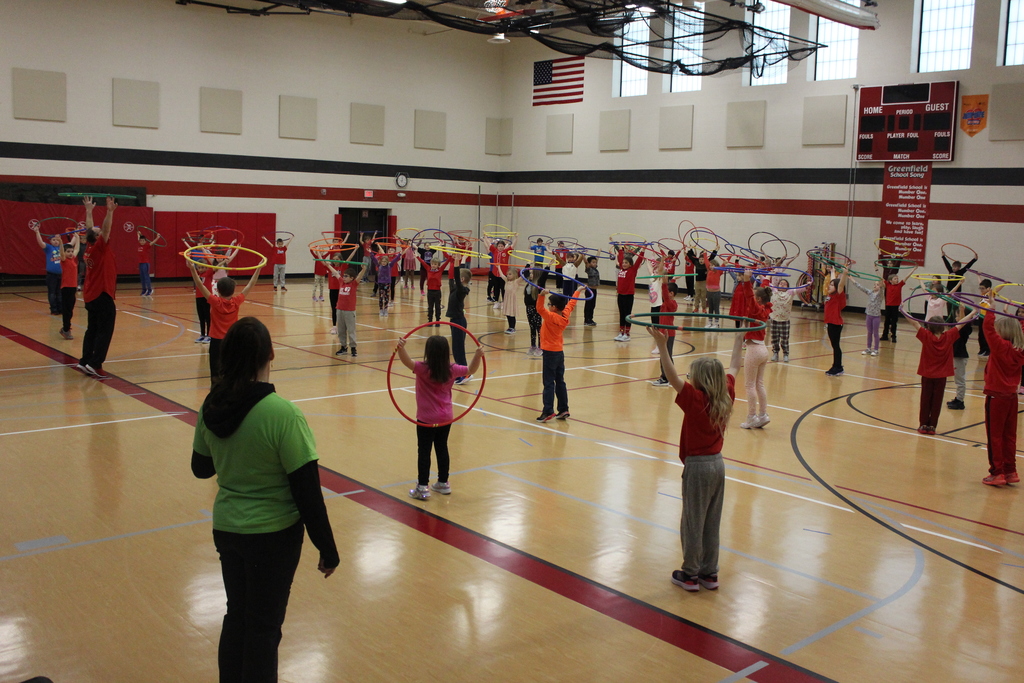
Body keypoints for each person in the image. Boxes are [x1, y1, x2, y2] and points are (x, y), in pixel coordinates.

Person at [190, 316, 339, 682]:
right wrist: (327, 548)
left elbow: (201, 468)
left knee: (236, 616)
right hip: (273, 538)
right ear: (271, 354)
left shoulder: (211, 407)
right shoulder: (283, 414)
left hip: (227, 530)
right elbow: (307, 492)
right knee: (263, 629)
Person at [648, 325, 740, 592]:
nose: (689, 377)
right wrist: (738, 339)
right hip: (718, 464)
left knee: (692, 520)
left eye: (693, 375)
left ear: (700, 380)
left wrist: (663, 346)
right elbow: (735, 366)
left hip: (698, 467)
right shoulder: (727, 394)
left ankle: (690, 574)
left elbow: (672, 375)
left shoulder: (695, 399)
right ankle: (709, 573)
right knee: (712, 520)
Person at [395, 335, 484, 500]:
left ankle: (423, 487)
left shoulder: (422, 368)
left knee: (424, 451)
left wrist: (401, 348)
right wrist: (478, 356)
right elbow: (471, 370)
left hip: (426, 418)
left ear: (428, 351)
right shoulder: (452, 369)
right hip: (445, 417)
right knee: (442, 448)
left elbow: (407, 362)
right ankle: (443, 483)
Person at [189, 261, 261, 382]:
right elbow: (250, 285)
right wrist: (258, 268)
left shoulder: (215, 301)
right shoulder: (236, 301)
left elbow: (200, 285)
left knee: (215, 372)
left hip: (217, 341)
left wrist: (192, 269)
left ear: (217, 290)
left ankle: (216, 391)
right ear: (233, 290)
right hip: (232, 340)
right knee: (231, 368)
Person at [979, 294, 1024, 485]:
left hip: (996, 396)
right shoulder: (1020, 349)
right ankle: (1010, 470)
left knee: (995, 435)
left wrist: (990, 308)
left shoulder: (1000, 347)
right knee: (1009, 434)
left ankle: (997, 472)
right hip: (1011, 397)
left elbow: (987, 328)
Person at [907, 310, 975, 434]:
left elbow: (915, 323)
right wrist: (974, 312)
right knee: (937, 401)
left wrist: (903, 310)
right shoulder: (948, 337)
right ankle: (932, 426)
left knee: (925, 400)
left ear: (929, 326)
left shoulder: (926, 336)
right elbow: (960, 324)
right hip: (941, 376)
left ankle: (923, 425)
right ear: (943, 326)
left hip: (927, 374)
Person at [75, 196, 118, 380]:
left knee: (92, 329)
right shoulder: (100, 247)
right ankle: (95, 364)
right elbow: (105, 229)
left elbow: (90, 229)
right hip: (102, 294)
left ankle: (84, 361)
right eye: (100, 232)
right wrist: (109, 212)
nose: (102, 232)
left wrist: (89, 211)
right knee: (105, 330)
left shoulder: (89, 246)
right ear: (99, 238)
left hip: (91, 295)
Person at [536, 285, 585, 422]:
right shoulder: (564, 315)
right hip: (559, 353)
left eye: (549, 304)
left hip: (550, 353)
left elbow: (539, 309)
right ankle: (563, 409)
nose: (548, 306)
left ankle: (548, 411)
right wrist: (578, 291)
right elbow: (571, 303)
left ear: (554, 307)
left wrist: (541, 295)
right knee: (560, 381)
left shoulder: (551, 317)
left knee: (549, 382)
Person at [735, 271, 772, 428]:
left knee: (749, 385)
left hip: (754, 349)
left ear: (758, 299)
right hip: (763, 349)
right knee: (759, 384)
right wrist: (766, 275)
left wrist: (746, 280)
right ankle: (763, 415)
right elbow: (763, 289)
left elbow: (749, 296)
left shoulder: (755, 309)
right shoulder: (765, 307)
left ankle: (751, 417)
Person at [326, 262, 366, 358]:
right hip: (340, 310)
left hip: (349, 311)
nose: (344, 277)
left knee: (351, 330)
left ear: (352, 278)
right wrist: (328, 265)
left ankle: (353, 348)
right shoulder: (341, 282)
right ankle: (343, 347)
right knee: (341, 330)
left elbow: (359, 276)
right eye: (343, 275)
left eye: (346, 276)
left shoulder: (354, 284)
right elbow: (335, 273)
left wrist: (364, 269)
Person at [446, 256, 473, 385]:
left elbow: (455, 276)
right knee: (456, 349)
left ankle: (465, 373)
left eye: (458, 278)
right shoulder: (455, 289)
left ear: (462, 279)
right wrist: (456, 261)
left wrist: (456, 264)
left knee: (459, 349)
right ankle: (460, 373)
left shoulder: (462, 290)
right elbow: (452, 277)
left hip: (459, 321)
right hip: (454, 321)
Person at [768, 278, 809, 363]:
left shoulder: (790, 292)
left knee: (784, 338)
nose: (782, 285)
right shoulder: (774, 290)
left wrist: (807, 284)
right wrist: (761, 273)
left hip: (785, 320)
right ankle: (775, 352)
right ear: (777, 285)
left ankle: (785, 354)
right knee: (774, 338)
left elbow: (800, 288)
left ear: (788, 287)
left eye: (785, 284)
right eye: (781, 283)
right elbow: (766, 281)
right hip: (774, 319)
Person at [651, 280, 679, 387]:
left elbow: (666, 297)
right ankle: (666, 377)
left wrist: (664, 283)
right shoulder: (664, 304)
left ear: (671, 293)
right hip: (662, 333)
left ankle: (666, 378)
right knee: (663, 356)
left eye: (666, 291)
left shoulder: (671, 303)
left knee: (666, 356)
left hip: (669, 334)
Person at [946, 302, 974, 411]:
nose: (957, 318)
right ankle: (958, 398)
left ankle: (960, 401)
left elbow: (964, 322)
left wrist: (962, 310)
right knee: (957, 379)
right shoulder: (957, 329)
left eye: (958, 316)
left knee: (960, 380)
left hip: (960, 357)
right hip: (956, 356)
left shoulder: (965, 329)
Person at [32, 223, 64, 315]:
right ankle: (54, 309)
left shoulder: (62, 247)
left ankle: (60, 308)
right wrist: (37, 232)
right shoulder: (49, 248)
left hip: (61, 274)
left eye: (57, 240)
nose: (55, 241)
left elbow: (72, 243)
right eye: (53, 240)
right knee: (52, 293)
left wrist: (76, 236)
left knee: (60, 292)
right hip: (51, 275)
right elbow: (40, 243)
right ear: (50, 241)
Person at [613, 244, 643, 341]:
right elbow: (621, 257)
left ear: (630, 264)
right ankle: (621, 332)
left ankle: (627, 333)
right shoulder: (621, 269)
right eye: (623, 262)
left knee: (627, 314)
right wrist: (621, 249)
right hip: (620, 295)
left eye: (626, 263)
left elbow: (639, 261)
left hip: (628, 296)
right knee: (621, 314)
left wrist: (643, 251)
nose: (624, 264)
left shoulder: (632, 270)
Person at [824, 265, 849, 377]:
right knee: (834, 346)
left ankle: (838, 367)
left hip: (836, 324)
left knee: (836, 346)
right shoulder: (831, 294)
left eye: (832, 285)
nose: (829, 285)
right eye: (830, 284)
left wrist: (844, 274)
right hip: (830, 323)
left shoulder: (838, 296)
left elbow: (841, 284)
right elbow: (835, 281)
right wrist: (833, 272)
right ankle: (835, 366)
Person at [882, 266, 916, 343]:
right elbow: (880, 277)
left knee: (894, 321)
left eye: (897, 278)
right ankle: (885, 335)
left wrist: (913, 270)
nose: (897, 279)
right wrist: (876, 268)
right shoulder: (887, 285)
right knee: (887, 321)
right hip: (888, 306)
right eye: (895, 279)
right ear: (890, 281)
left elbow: (906, 277)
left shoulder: (899, 285)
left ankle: (893, 336)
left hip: (895, 306)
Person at [852, 277, 885, 357]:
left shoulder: (880, 295)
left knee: (875, 333)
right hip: (869, 315)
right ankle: (868, 348)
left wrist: (881, 282)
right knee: (869, 332)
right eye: (874, 284)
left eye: (877, 285)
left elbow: (882, 286)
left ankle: (876, 349)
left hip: (876, 316)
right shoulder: (870, 292)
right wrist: (852, 279)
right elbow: (861, 287)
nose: (875, 286)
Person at [418, 249, 451, 325]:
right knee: (430, 307)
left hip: (437, 291)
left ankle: (437, 321)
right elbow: (422, 262)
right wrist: (417, 256)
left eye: (435, 264)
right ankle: (430, 320)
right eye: (432, 264)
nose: (433, 265)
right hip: (430, 291)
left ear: (438, 265)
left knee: (437, 307)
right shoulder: (428, 269)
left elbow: (447, 261)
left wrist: (450, 255)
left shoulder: (440, 270)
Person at [57, 234, 80, 340]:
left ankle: (65, 328)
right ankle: (66, 329)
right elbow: (61, 252)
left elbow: (77, 249)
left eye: (71, 251)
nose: (70, 253)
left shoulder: (73, 259)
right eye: (68, 252)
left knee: (70, 310)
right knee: (67, 311)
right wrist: (61, 242)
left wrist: (78, 238)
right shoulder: (64, 260)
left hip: (73, 288)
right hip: (66, 288)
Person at [523, 268, 544, 357]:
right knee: (532, 328)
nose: (530, 275)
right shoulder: (528, 283)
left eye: (532, 273)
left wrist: (547, 266)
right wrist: (528, 266)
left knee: (538, 328)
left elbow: (544, 276)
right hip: (528, 308)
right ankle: (533, 346)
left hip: (536, 309)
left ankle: (540, 347)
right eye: (530, 273)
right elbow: (524, 273)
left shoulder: (538, 285)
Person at [372, 248, 397, 317]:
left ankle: (385, 309)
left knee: (386, 297)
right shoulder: (379, 266)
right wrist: (371, 253)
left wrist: (400, 253)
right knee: (381, 297)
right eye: (382, 261)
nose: (383, 263)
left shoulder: (389, 266)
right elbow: (374, 259)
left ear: (387, 262)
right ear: (381, 261)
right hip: (381, 283)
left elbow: (395, 259)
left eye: (385, 261)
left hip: (387, 283)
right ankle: (381, 309)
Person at [502, 264, 520, 334]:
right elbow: (502, 276)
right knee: (508, 314)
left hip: (512, 300)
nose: (508, 275)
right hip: (507, 300)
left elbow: (523, 276)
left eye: (510, 274)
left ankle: (512, 327)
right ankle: (510, 327)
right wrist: (498, 267)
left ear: (514, 275)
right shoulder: (506, 281)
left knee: (512, 314)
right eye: (507, 274)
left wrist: (527, 266)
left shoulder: (516, 282)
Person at [583, 256, 600, 326]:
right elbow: (586, 262)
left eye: (595, 262)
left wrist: (599, 252)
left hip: (595, 290)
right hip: (590, 290)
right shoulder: (589, 269)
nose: (595, 263)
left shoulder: (595, 269)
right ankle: (586, 320)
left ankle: (590, 319)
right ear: (589, 263)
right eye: (593, 262)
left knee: (593, 305)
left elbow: (597, 259)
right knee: (588, 305)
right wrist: (583, 255)